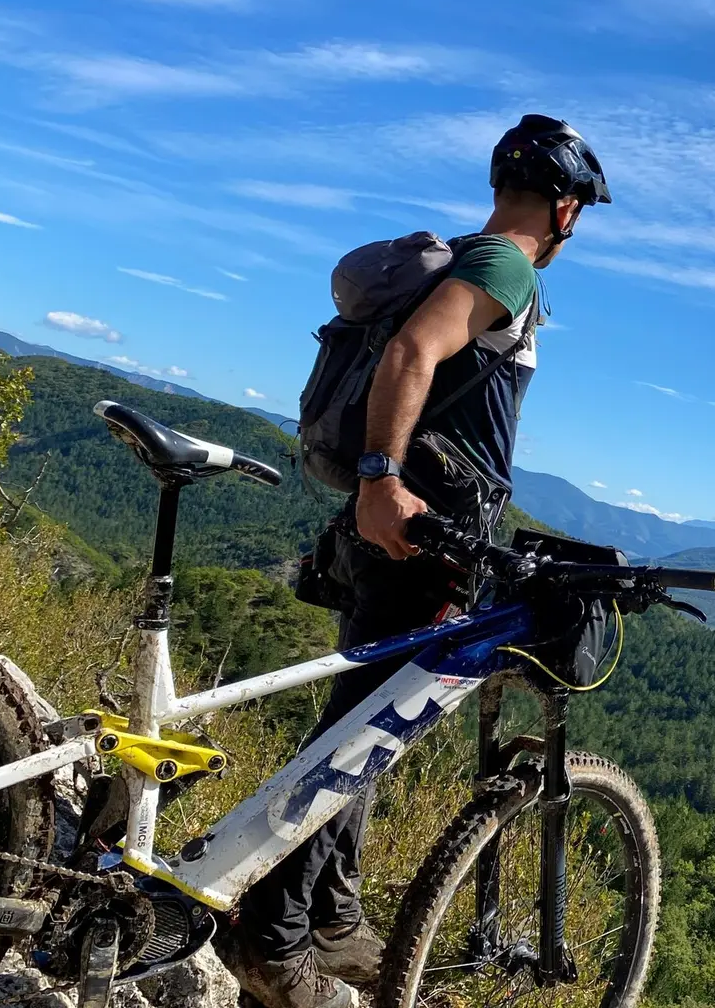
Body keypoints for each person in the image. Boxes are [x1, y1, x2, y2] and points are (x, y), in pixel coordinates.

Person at [228, 114, 612, 1008]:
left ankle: (332, 916)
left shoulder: (477, 261)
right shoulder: (503, 266)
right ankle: (272, 943)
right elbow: (412, 353)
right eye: (578, 210)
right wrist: (380, 479)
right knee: (353, 742)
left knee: (369, 728)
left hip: (401, 530)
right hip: (417, 534)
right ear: (567, 211)